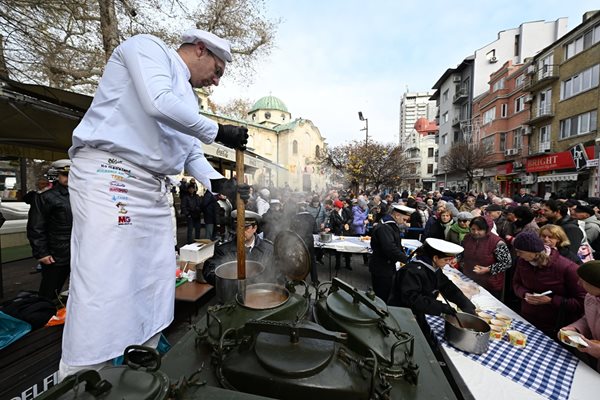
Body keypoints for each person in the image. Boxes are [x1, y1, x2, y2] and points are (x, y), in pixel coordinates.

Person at [60, 29, 249, 378]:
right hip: (111, 174)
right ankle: (79, 377)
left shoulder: (190, 102)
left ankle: (143, 369)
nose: (217, 81)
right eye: (218, 70)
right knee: (105, 278)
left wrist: (221, 183)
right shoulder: (147, 49)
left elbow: (192, 153)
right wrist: (219, 130)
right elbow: (157, 101)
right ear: (199, 49)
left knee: (156, 277)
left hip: (154, 189)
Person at [388, 238, 476, 333]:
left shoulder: (433, 267)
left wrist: (464, 303)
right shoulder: (412, 271)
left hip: (418, 312)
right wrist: (441, 307)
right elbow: (412, 299)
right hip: (403, 315)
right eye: (446, 259)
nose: (448, 263)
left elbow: (446, 286)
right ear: (435, 258)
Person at [512, 231, 586, 337]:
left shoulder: (568, 268)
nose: (517, 254)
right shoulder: (522, 261)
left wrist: (551, 300)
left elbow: (581, 302)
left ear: (533, 251)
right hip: (527, 317)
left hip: (553, 326)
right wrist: (524, 294)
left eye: (520, 251)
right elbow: (516, 283)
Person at [26, 160, 72, 301]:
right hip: (57, 254)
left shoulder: (83, 196)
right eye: (65, 174)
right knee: (49, 291)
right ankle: (42, 316)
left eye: (73, 174)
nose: (69, 178)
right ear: (59, 175)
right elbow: (36, 226)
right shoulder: (45, 197)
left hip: (80, 253)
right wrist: (42, 253)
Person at [202, 211, 273, 286]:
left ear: (254, 228)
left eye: (246, 228)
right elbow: (209, 271)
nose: (241, 232)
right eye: (238, 227)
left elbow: (275, 274)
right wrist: (227, 279)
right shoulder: (224, 250)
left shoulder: (268, 249)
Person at [560, 260, 600, 372]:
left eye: (582, 281)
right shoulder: (591, 297)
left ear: (595, 285)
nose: (578, 283)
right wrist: (574, 328)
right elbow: (588, 319)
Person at [368, 205, 413, 302]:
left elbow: (395, 244)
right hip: (382, 267)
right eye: (404, 219)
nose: (405, 222)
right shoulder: (386, 227)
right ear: (397, 215)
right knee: (381, 297)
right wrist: (406, 260)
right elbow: (390, 248)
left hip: (385, 265)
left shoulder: (389, 225)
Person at [460, 216, 512, 299]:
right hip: (469, 280)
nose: (475, 232)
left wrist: (488, 269)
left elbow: (506, 263)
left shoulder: (497, 242)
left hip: (490, 284)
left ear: (487, 229)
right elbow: (462, 252)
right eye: (473, 229)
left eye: (479, 230)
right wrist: (456, 259)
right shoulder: (467, 238)